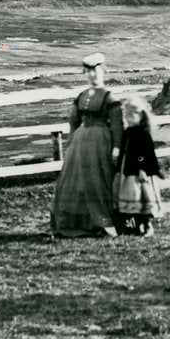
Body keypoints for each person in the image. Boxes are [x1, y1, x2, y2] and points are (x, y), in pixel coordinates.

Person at [50, 53, 123, 238]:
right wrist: (72, 140)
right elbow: (73, 120)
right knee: (74, 182)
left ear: (103, 71)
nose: (92, 75)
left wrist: (116, 150)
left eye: (96, 71)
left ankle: (99, 222)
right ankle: (73, 221)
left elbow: (117, 127)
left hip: (100, 145)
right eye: (89, 72)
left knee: (97, 182)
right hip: (80, 145)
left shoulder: (109, 97)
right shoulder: (81, 96)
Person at [113, 95, 164, 237]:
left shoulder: (143, 133)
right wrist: (118, 167)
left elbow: (145, 153)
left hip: (139, 173)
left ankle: (146, 224)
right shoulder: (128, 132)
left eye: (131, 114)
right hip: (126, 171)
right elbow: (124, 150)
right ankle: (133, 226)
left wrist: (142, 168)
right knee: (130, 200)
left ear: (140, 115)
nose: (128, 117)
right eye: (126, 114)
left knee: (142, 198)